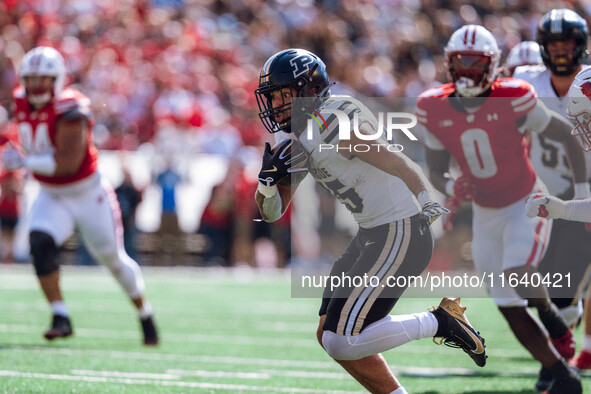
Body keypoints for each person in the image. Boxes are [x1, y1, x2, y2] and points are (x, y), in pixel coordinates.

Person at [254, 48, 486, 394]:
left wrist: (425, 198)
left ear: (307, 90)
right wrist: (267, 184)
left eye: (283, 95)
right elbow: (272, 212)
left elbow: (396, 160)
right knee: (328, 334)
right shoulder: (297, 133)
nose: (275, 105)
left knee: (343, 341)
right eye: (272, 97)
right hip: (372, 233)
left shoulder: (332, 119)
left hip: (401, 229)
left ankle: (440, 321)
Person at [418, 25, 585, 393]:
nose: (467, 72)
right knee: (506, 302)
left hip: (525, 201)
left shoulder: (513, 96)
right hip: (485, 211)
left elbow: (564, 136)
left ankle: (552, 318)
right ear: (448, 64)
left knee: (518, 269)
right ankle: (560, 373)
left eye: (475, 64)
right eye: (460, 63)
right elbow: (435, 171)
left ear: (492, 66)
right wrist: (450, 185)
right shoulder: (432, 105)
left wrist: (583, 193)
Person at [1, 46, 158, 345]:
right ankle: (60, 315)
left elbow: (67, 164)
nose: (36, 86)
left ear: (57, 79)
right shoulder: (20, 100)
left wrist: (25, 162)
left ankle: (144, 312)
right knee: (39, 242)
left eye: (42, 79)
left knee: (112, 259)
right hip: (52, 193)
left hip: (87, 193)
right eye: (30, 79)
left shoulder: (72, 108)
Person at [512, 8, 591, 384]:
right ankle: (562, 351)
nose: (560, 52)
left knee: (561, 289)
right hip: (545, 195)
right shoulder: (526, 82)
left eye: (567, 44)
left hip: (581, 193)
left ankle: (557, 364)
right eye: (553, 45)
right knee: (535, 284)